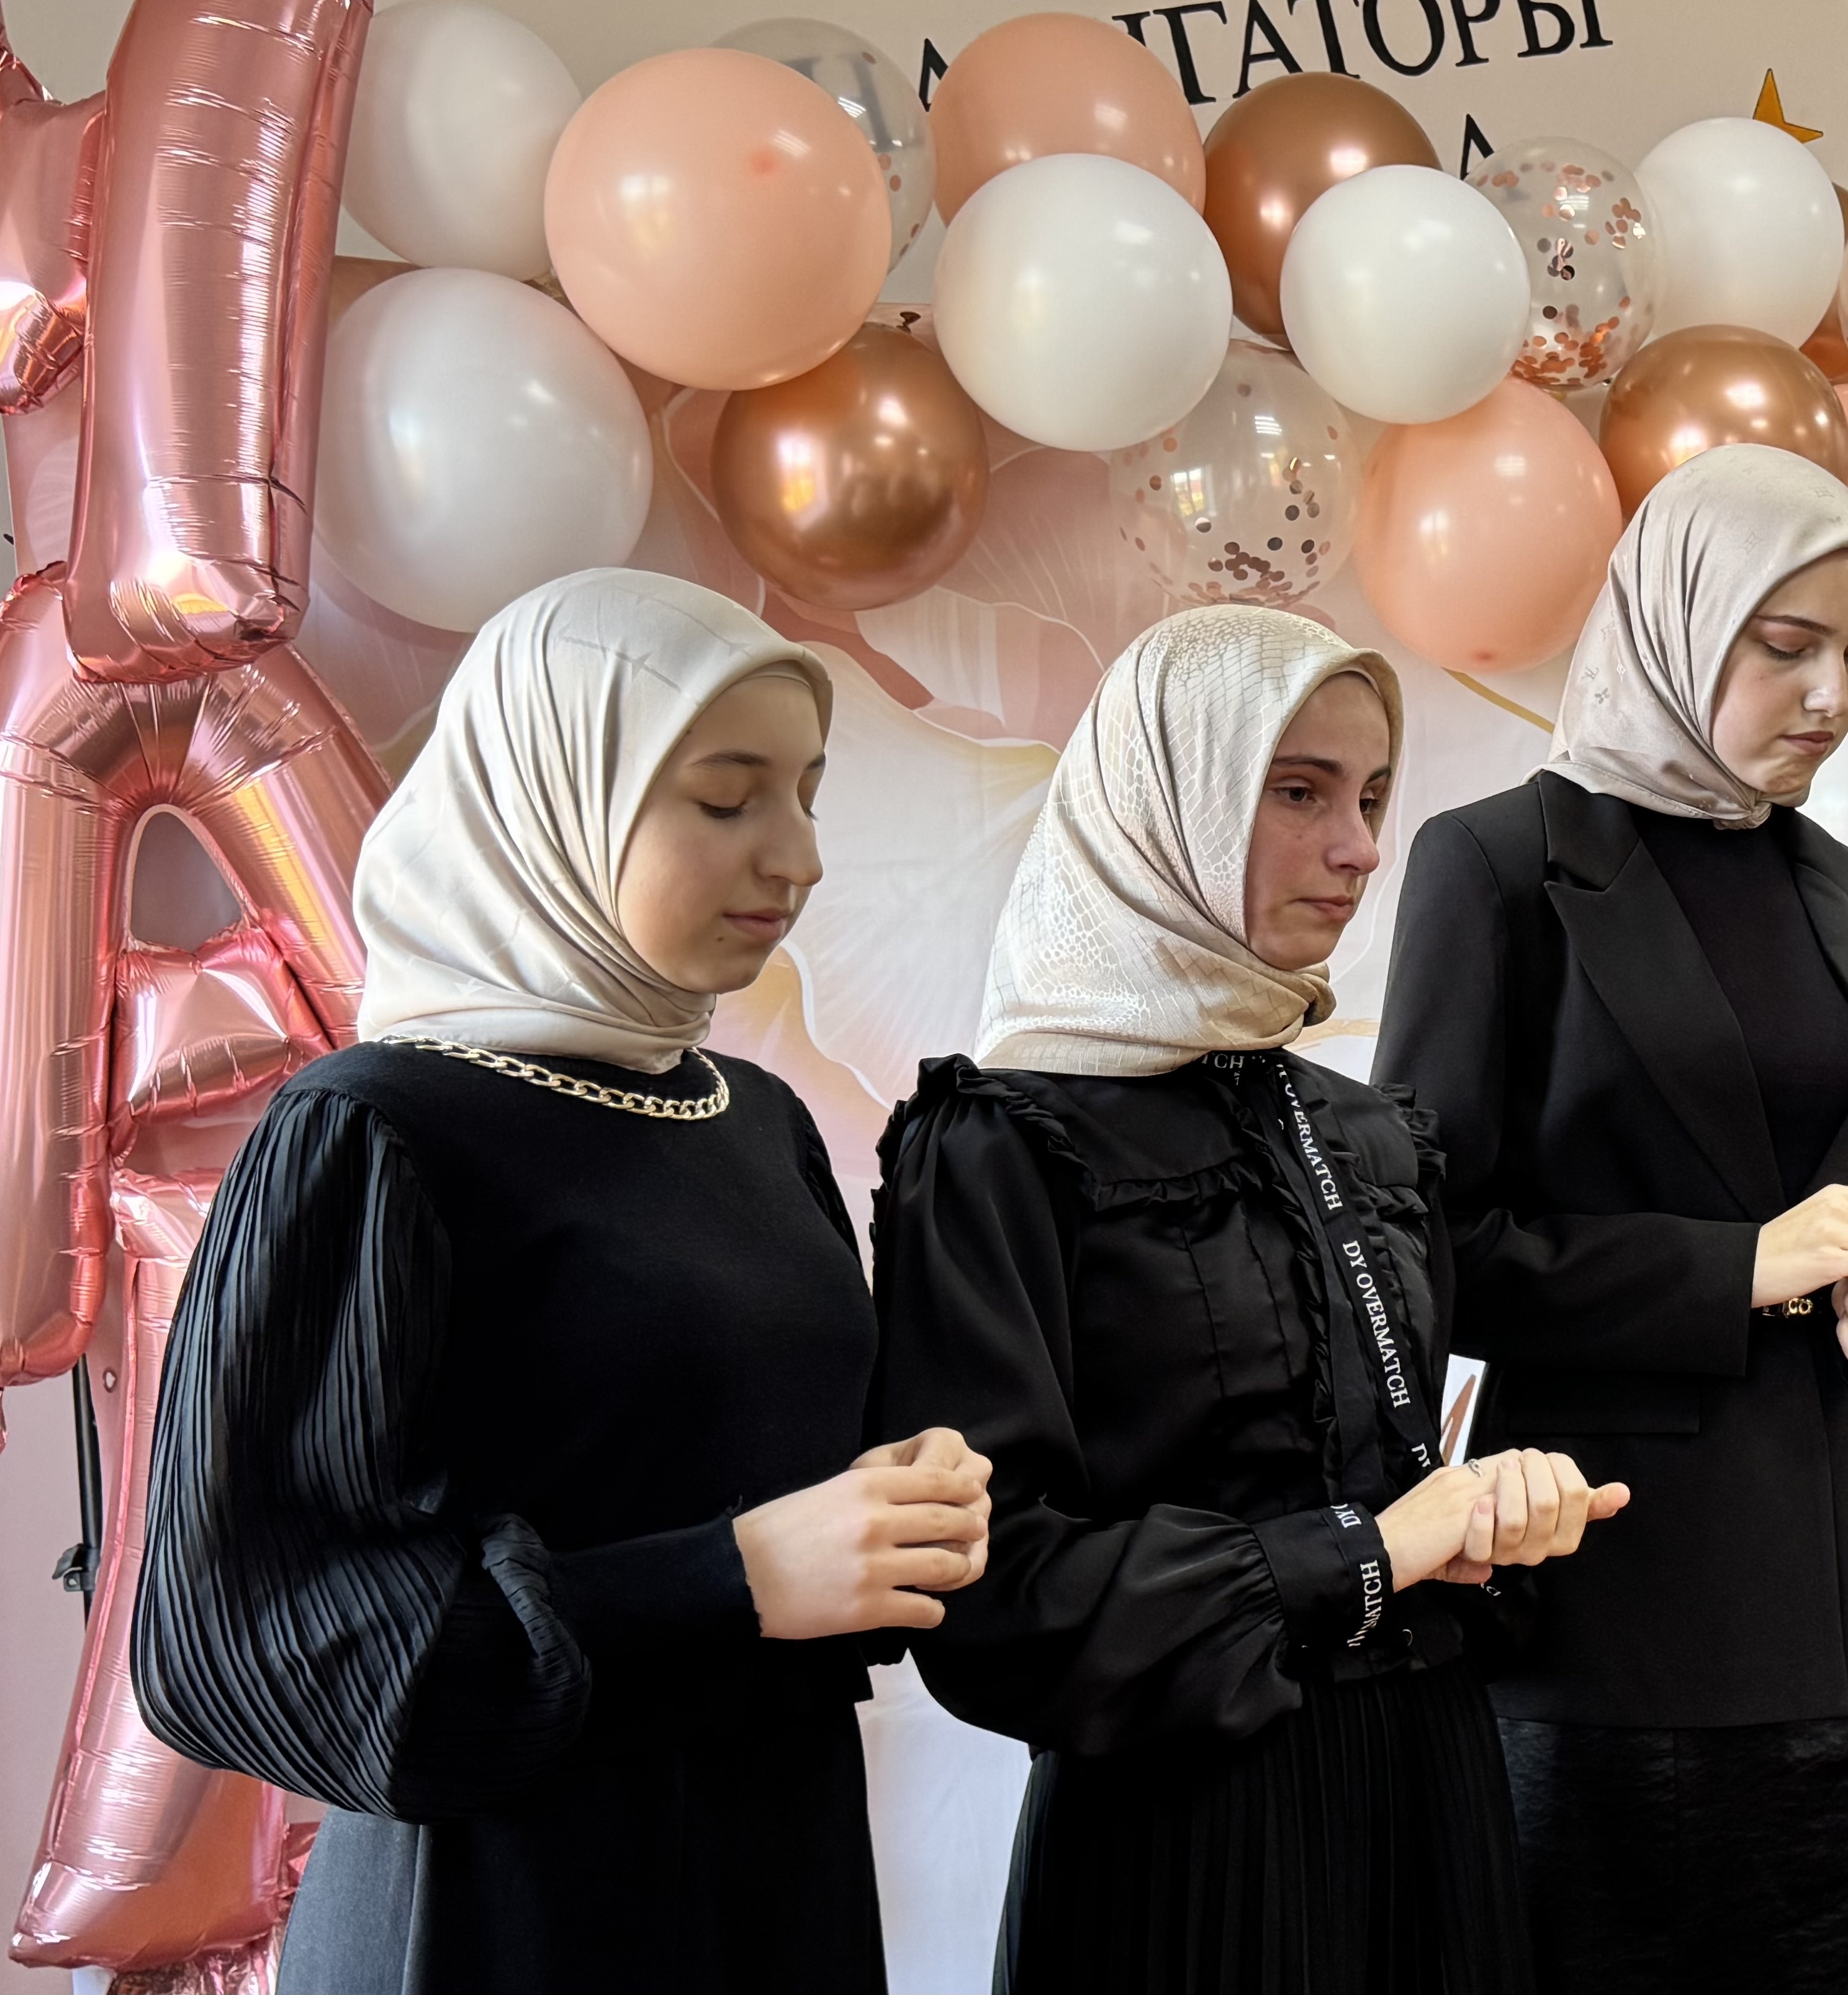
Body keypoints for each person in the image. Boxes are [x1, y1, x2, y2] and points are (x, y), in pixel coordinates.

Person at [130, 570, 992, 1995]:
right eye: (727, 798)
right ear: (552, 799)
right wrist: (727, 1576)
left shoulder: (757, 1119)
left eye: (807, 794)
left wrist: (893, 1500)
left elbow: (733, 1464)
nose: (797, 855)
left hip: (776, 1867)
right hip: (497, 1907)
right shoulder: (371, 1132)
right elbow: (235, 1642)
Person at [867, 606, 1627, 1994]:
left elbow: (1399, 1484)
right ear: (1165, 800)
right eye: (1298, 792)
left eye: (1372, 795)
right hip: (1189, 1838)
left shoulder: (1369, 1130)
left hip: (1433, 1798)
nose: (1360, 847)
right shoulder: (1005, 1141)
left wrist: (1489, 1519)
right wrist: (1365, 1552)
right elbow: (995, 1596)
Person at [1375, 445, 1848, 1993]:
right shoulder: (1500, 864)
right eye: (1788, 645)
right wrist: (1738, 1268)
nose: (1831, 693)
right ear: (1677, 621)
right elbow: (1428, 1251)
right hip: (1624, 1595)